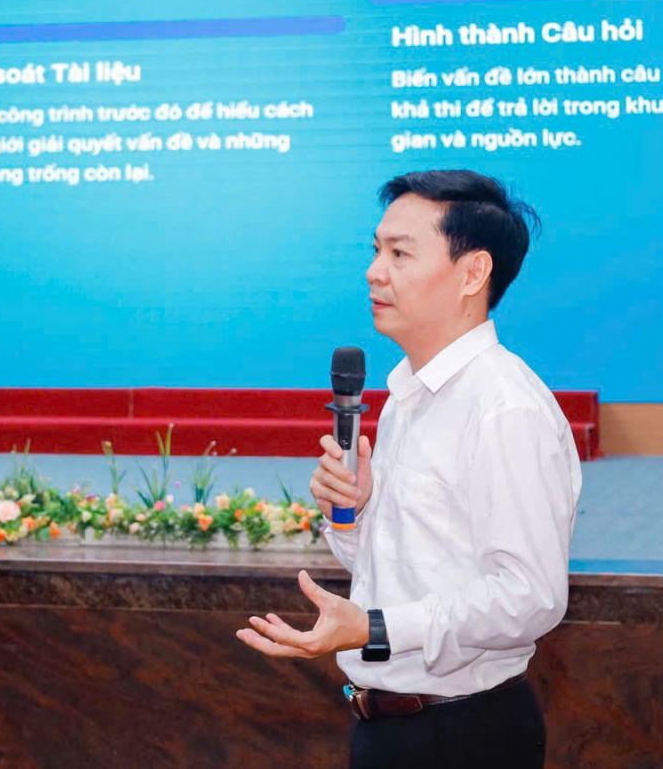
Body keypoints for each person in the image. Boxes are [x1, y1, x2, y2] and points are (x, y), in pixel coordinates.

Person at [235, 170, 583, 769]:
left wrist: (374, 628)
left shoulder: (504, 408)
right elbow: (406, 568)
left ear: (472, 274)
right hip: (390, 726)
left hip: (462, 736)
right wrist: (352, 514)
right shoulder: (408, 398)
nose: (375, 272)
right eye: (376, 250)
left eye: (399, 254)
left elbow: (530, 597)